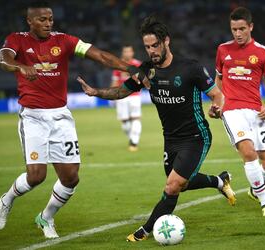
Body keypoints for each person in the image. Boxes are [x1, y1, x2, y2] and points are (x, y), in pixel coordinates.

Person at [0, 1, 148, 239]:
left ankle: (46, 217)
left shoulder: (64, 40)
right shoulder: (17, 39)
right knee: (36, 176)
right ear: (30, 21)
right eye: (42, 20)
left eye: (50, 19)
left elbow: (100, 56)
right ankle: (7, 199)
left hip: (61, 116)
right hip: (33, 116)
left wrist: (129, 68)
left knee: (71, 178)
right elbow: (3, 59)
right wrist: (20, 67)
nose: (48, 23)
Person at [77, 15, 236, 242]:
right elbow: (122, 91)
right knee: (182, 183)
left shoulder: (190, 68)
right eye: (147, 47)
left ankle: (145, 230)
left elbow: (217, 95)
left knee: (172, 186)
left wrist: (216, 108)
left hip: (196, 137)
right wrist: (97, 92)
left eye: (155, 45)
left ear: (166, 41)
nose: (151, 51)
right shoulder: (146, 72)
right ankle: (220, 181)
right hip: (170, 139)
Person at [214, 7, 265, 216]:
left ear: (251, 27)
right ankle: (264, 200)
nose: (238, 33)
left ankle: (255, 188)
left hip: (255, 111)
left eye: (242, 28)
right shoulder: (223, 50)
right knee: (249, 152)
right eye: (234, 29)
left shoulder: (263, 51)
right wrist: (218, 102)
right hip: (232, 110)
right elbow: (218, 79)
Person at [110, 45, 142, 152]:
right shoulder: (118, 64)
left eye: (129, 51)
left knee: (136, 118)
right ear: (123, 53)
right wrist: (112, 96)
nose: (127, 53)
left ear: (132, 52)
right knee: (125, 123)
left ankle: (134, 142)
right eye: (125, 51)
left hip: (134, 96)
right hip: (121, 96)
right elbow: (115, 81)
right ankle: (132, 139)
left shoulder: (138, 64)